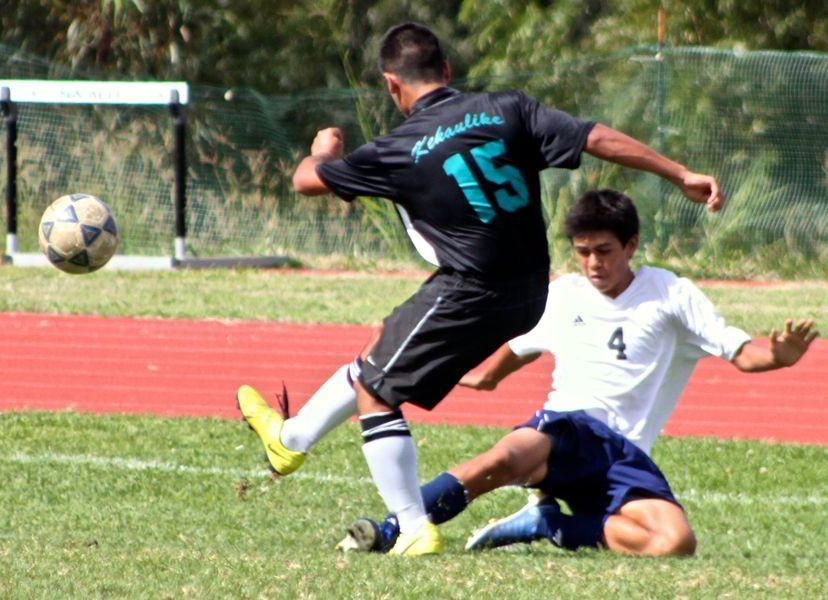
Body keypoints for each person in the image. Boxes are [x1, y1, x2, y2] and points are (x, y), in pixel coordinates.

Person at [237, 22, 725, 556]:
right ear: (446, 71)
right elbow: (596, 137)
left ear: (390, 85)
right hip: (530, 294)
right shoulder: (507, 108)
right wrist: (678, 173)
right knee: (380, 354)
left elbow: (306, 181)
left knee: (376, 390)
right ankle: (292, 441)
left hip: (471, 289)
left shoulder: (397, 147)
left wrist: (323, 150)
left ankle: (412, 526)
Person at [336, 189, 818, 557]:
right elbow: (522, 344)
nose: (593, 263)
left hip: (622, 458)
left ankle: (548, 525)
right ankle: (390, 530)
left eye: (604, 251)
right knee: (500, 459)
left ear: (631, 245)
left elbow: (742, 353)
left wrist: (780, 356)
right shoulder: (564, 292)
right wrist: (487, 378)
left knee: (674, 543)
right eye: (583, 251)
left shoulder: (671, 294)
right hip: (564, 429)